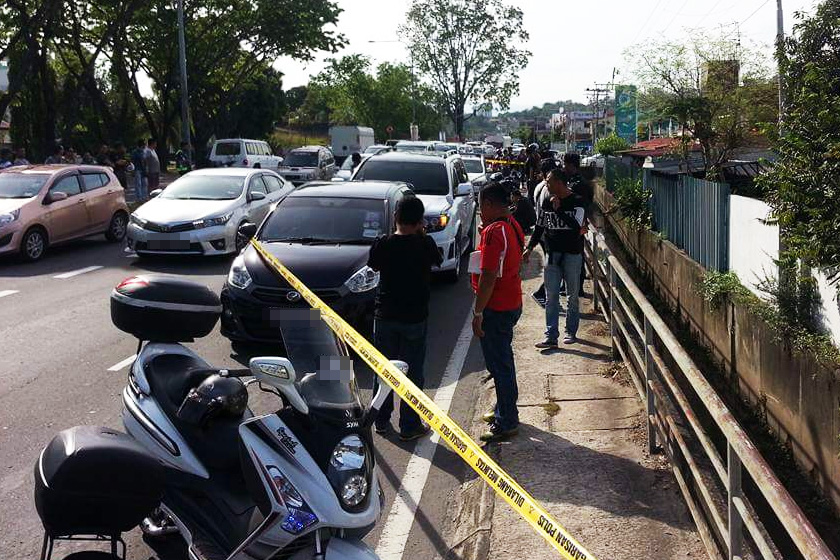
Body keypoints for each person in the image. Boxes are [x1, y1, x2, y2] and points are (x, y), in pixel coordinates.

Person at [368, 195, 442, 441]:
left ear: (396, 217)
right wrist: (421, 234)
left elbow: (374, 265)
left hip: (385, 315)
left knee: (384, 371)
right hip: (414, 318)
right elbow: (437, 261)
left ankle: (380, 418)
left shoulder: (383, 243)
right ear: (420, 220)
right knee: (413, 374)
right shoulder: (425, 244)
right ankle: (410, 425)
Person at [472, 181, 525, 442]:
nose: (480, 211)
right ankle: (504, 409)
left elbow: (489, 274)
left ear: (490, 204)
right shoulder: (511, 226)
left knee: (499, 365)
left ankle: (507, 421)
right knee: (502, 362)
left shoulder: (495, 232)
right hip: (512, 302)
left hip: (497, 307)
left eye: (481, 205)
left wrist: (478, 312)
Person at [524, 168, 587, 347]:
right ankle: (551, 336)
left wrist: (558, 210)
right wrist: (529, 247)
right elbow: (539, 226)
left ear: (559, 182)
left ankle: (570, 332)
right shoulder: (546, 201)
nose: (546, 184)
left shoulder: (577, 201)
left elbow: (576, 227)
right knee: (551, 296)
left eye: (549, 181)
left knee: (572, 295)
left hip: (572, 255)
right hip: (552, 254)